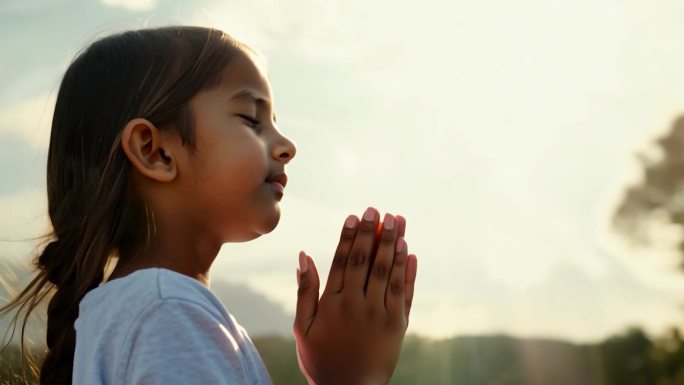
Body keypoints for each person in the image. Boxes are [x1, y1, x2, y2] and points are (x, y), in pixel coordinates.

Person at [0, 26, 418, 385]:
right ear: (154, 152)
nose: (287, 146)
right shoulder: (169, 312)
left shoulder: (140, 310)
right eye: (251, 119)